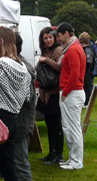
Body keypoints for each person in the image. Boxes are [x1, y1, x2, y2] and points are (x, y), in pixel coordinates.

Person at [0, 26, 31, 181]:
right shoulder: (23, 66)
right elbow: (27, 96)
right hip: (14, 118)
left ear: (1, 41)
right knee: (8, 163)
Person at [55, 22, 86, 170]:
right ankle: (73, 159)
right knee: (70, 127)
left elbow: (74, 76)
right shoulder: (75, 48)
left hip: (72, 93)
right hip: (73, 92)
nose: (58, 39)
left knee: (72, 128)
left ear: (66, 33)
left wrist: (65, 92)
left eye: (59, 35)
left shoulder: (73, 50)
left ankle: (76, 161)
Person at [36, 27, 64, 165]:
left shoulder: (58, 50)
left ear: (54, 38)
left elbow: (60, 67)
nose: (48, 40)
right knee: (49, 125)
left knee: (56, 125)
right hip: (45, 93)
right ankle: (52, 153)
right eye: (45, 38)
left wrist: (45, 60)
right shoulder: (46, 51)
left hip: (54, 93)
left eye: (50, 37)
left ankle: (59, 155)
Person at [12, 32, 36, 181]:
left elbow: (27, 97)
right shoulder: (17, 64)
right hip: (18, 122)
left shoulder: (22, 67)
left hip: (20, 123)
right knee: (15, 164)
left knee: (20, 164)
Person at [79, 32, 95, 106]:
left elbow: (89, 62)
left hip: (88, 72)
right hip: (87, 71)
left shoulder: (87, 50)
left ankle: (88, 102)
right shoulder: (89, 49)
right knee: (86, 87)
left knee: (88, 87)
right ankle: (87, 102)